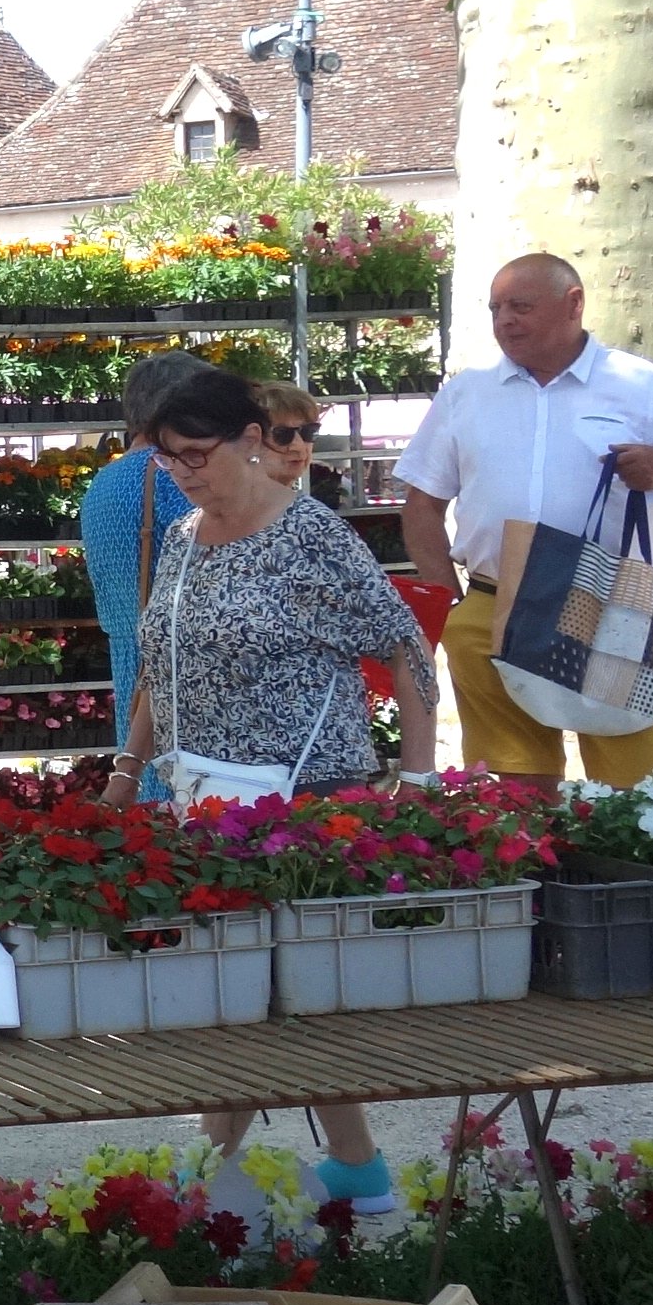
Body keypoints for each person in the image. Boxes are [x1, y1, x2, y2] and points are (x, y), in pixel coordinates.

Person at [114, 365, 438, 1220]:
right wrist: (124, 772)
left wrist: (417, 781)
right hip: (205, 800)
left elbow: (406, 648)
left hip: (303, 801)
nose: (183, 472)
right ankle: (360, 1170)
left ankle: (195, 1180)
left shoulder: (312, 536)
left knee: (250, 1000)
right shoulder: (182, 535)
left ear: (252, 440)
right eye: (167, 457)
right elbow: (161, 661)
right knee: (275, 999)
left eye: (196, 453)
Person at [396, 253, 653, 786]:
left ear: (573, 303)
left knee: (638, 793)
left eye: (521, 306)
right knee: (513, 793)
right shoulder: (467, 392)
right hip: (490, 605)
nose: (505, 320)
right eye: (496, 309)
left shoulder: (639, 385)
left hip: (608, 607)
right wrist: (451, 605)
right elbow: (421, 504)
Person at [84, 351, 207, 804]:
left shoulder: (104, 481)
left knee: (147, 799)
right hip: (180, 662)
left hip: (128, 657)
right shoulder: (177, 476)